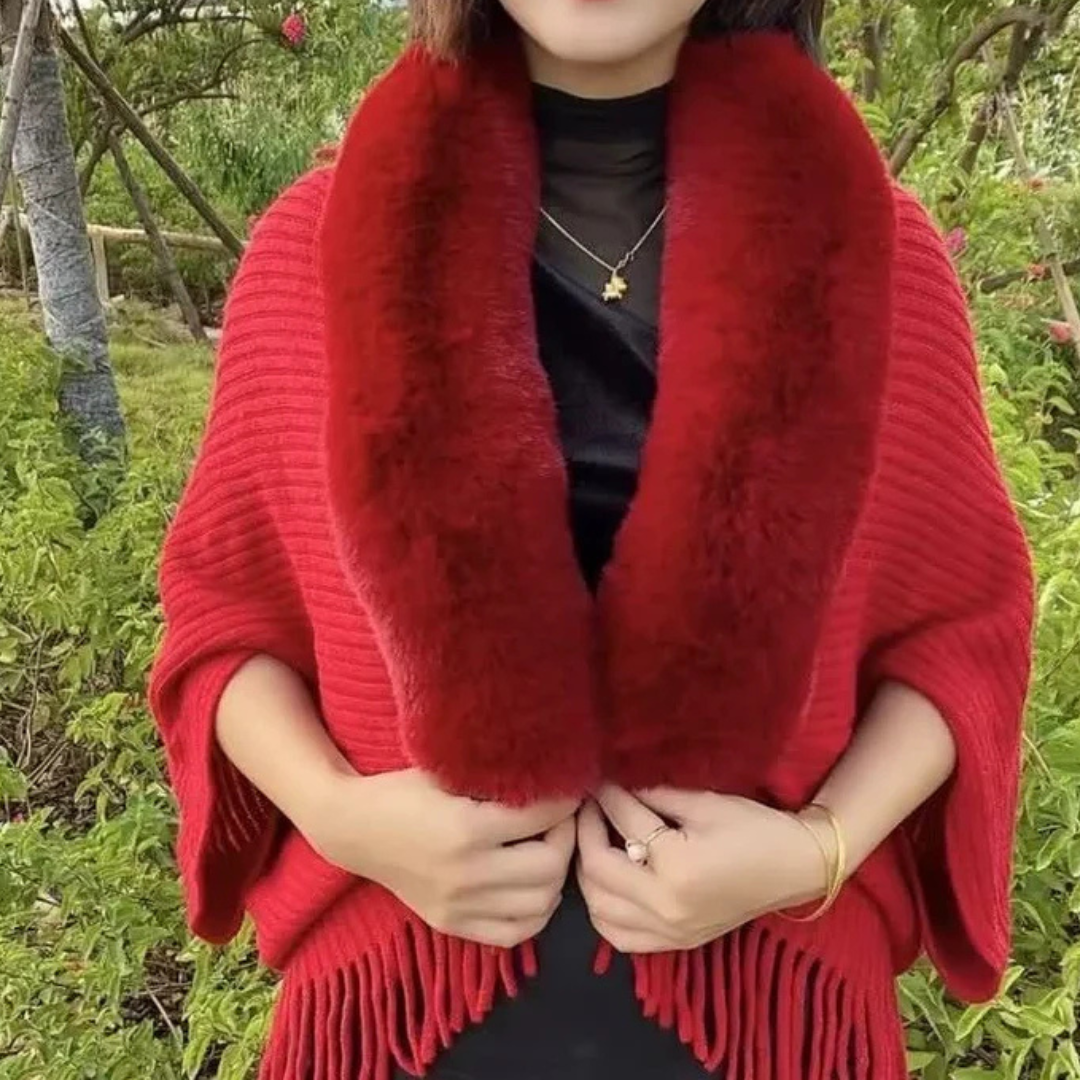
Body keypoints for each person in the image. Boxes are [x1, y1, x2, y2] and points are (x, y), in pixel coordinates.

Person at [148, 2, 1036, 1078]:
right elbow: (226, 618)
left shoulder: (876, 260)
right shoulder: (319, 248)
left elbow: (960, 637)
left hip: (771, 1026)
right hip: (404, 1023)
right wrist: (341, 819)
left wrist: (816, 849)